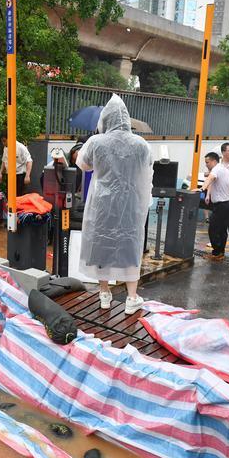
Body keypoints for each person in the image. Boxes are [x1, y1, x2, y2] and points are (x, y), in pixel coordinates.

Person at [76, 94, 153, 315]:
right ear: (127, 119)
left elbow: (83, 165)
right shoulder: (141, 144)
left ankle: (104, 294)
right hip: (130, 204)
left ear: (105, 119)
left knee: (101, 243)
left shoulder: (96, 142)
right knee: (130, 246)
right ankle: (131, 298)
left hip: (102, 204)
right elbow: (147, 170)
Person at [201, 152, 229, 261]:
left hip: (222, 205)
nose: (206, 165)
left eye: (207, 162)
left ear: (213, 161)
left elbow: (210, 178)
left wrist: (202, 189)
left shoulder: (216, 169)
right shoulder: (223, 169)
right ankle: (220, 253)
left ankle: (216, 253)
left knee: (213, 229)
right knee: (222, 230)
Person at [0, 130, 33, 198]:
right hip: (9, 175)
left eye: (4, 141)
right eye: (2, 141)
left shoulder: (21, 147)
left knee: (19, 196)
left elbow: (29, 161)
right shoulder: (6, 148)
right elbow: (4, 161)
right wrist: (0, 173)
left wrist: (27, 175)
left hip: (19, 175)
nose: (3, 143)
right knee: (9, 195)